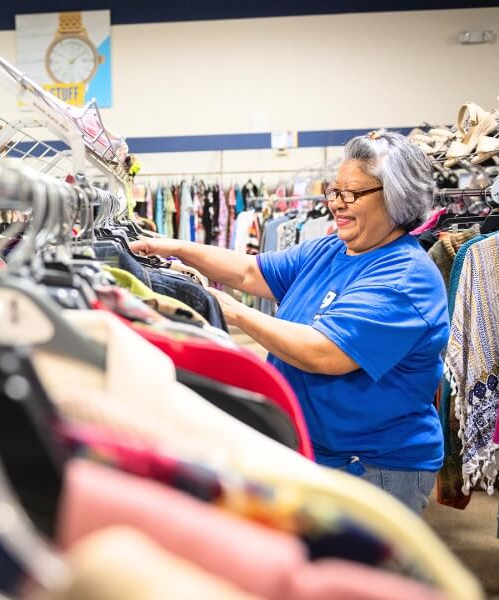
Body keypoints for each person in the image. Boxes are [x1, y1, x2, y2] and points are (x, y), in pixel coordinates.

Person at [130, 131, 448, 514]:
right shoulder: (334, 248)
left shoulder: (404, 277)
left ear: (396, 197)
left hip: (373, 470)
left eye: (352, 194)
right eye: (335, 191)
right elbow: (250, 271)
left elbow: (324, 352)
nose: (337, 205)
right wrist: (174, 248)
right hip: (320, 454)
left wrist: (230, 310)